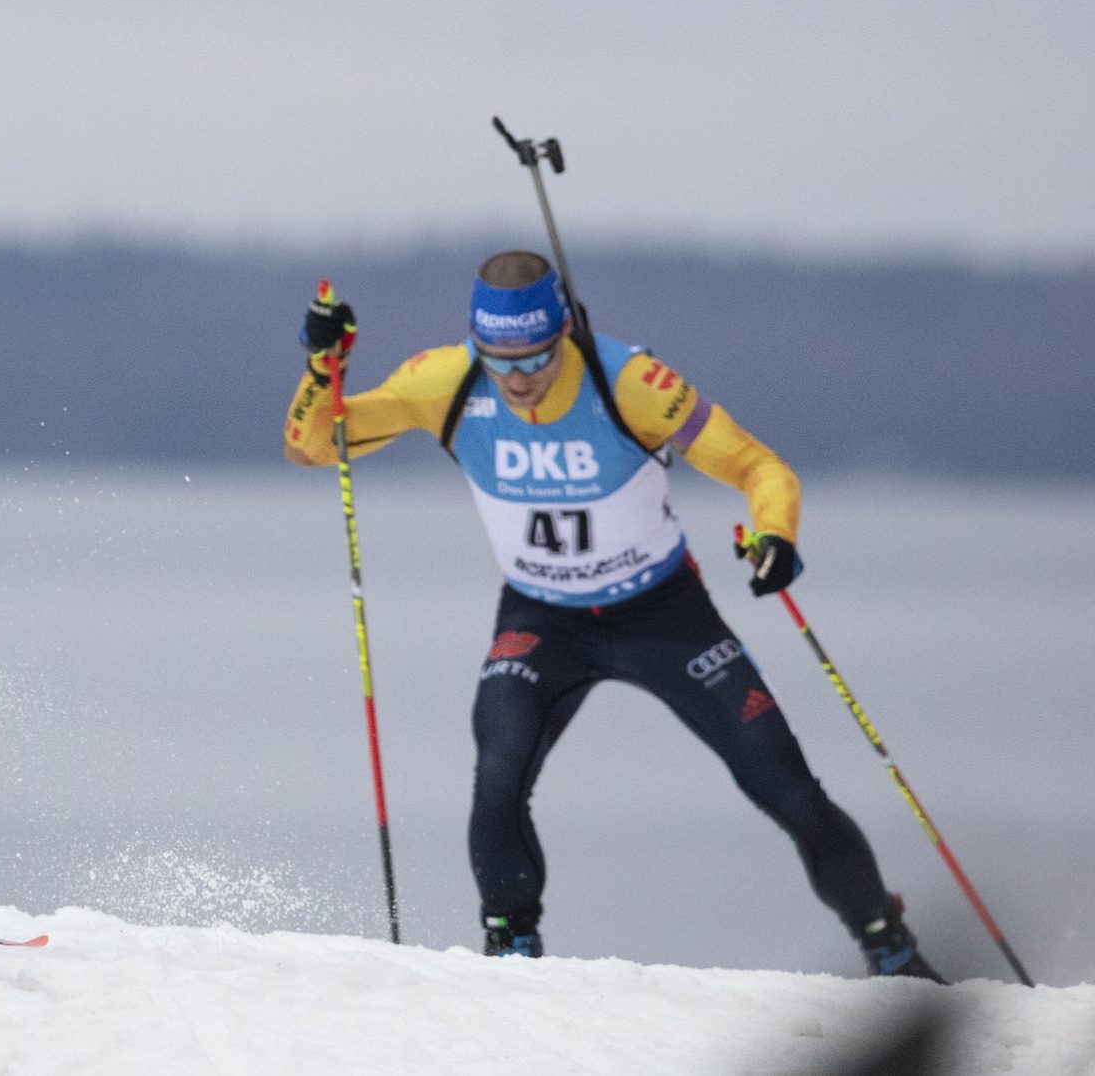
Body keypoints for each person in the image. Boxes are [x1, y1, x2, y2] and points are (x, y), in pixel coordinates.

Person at [282, 252, 940, 979]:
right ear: (478, 342)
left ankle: (891, 947)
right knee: (498, 777)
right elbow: (314, 445)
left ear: (562, 332)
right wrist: (323, 371)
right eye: (501, 360)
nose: (520, 378)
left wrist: (776, 535)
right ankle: (512, 957)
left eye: (535, 355)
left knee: (789, 792)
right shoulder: (445, 382)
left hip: (662, 611)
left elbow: (759, 465)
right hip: (543, 616)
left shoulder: (628, 382)